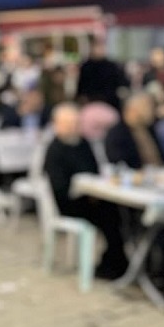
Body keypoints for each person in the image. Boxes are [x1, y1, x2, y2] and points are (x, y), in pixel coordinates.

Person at [43, 103, 128, 279]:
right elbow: (59, 187)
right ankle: (114, 262)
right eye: (68, 123)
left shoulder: (83, 143)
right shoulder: (55, 150)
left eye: (75, 122)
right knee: (109, 215)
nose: (73, 127)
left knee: (118, 212)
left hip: (91, 195)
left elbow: (95, 170)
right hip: (70, 202)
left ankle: (117, 260)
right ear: (57, 125)